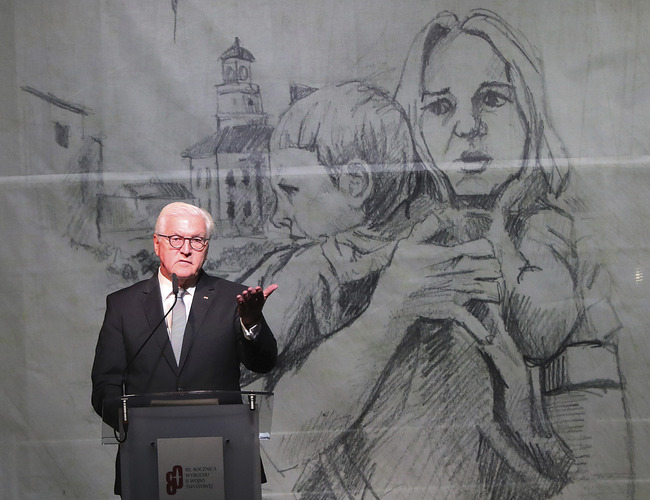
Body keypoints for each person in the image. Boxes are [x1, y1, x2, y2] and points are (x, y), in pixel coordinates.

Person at [91, 201, 278, 496]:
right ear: (157, 244)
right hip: (146, 457)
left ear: (206, 247)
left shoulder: (234, 299)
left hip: (224, 456)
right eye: (175, 239)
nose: (186, 249)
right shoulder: (123, 305)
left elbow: (264, 363)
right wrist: (134, 422)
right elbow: (105, 386)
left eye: (197, 240)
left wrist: (251, 322)